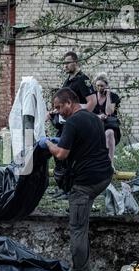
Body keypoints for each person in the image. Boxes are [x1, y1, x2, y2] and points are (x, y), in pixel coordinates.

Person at [39, 88, 113, 271]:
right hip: (104, 177)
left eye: (59, 107)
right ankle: (83, 268)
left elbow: (62, 154)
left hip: (85, 183)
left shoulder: (72, 122)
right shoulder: (94, 118)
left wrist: (47, 143)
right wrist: (61, 140)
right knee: (83, 222)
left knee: (78, 228)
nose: (57, 112)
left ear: (69, 103)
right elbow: (87, 143)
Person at [50, 51, 97, 198]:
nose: (65, 65)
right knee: (59, 155)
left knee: (70, 157)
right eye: (64, 63)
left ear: (76, 62)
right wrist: (53, 112)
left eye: (68, 62)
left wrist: (80, 119)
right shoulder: (68, 81)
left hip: (75, 124)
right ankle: (63, 187)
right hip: (65, 124)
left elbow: (92, 102)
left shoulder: (83, 79)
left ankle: (70, 189)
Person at [93, 73, 121, 163]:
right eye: (97, 86)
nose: (100, 88)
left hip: (109, 125)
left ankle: (110, 163)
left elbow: (109, 112)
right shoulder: (92, 97)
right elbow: (86, 112)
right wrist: (98, 116)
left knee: (109, 133)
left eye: (102, 86)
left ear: (106, 86)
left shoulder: (113, 96)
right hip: (95, 125)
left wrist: (108, 95)